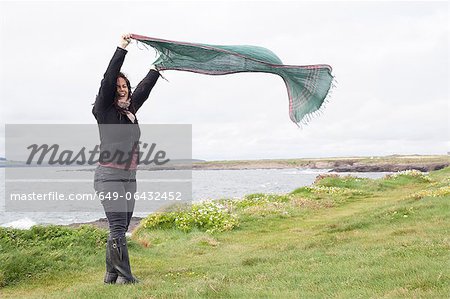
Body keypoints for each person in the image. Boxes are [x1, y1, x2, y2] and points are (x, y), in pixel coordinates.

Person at [92, 34, 160, 284]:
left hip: (129, 176)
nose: (122, 90)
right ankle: (126, 277)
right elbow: (109, 77)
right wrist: (122, 48)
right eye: (118, 87)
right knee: (119, 226)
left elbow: (145, 88)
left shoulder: (130, 110)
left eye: (125, 87)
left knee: (120, 227)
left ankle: (111, 274)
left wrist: (158, 66)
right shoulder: (104, 110)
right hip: (108, 175)